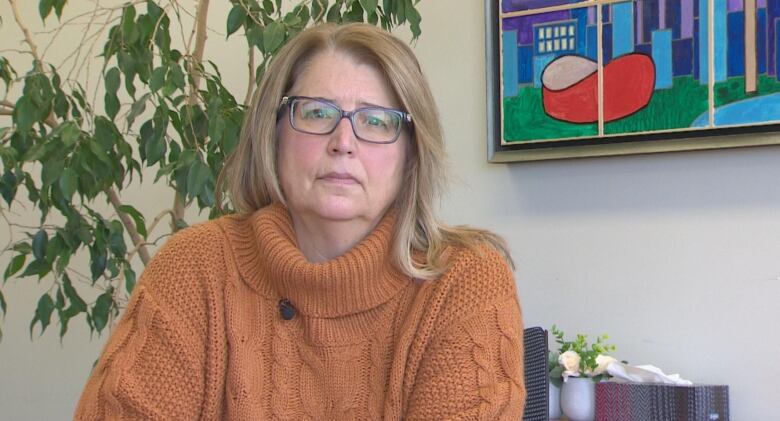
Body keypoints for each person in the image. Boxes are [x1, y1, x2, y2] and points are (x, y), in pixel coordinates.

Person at [75, 23, 526, 420]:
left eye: (375, 120)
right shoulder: (193, 268)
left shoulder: (464, 282)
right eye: (316, 113)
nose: (343, 142)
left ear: (411, 151)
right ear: (273, 134)